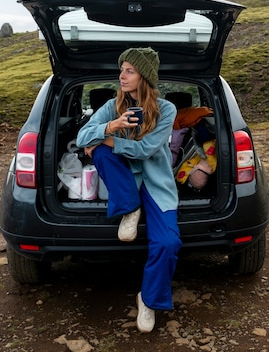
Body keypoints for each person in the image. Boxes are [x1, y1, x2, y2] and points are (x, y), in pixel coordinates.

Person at [76, 47, 181, 333]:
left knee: (168, 244)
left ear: (143, 76)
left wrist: (108, 139)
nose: (121, 76)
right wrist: (112, 125)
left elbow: (147, 149)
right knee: (97, 150)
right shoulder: (113, 105)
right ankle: (129, 208)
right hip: (126, 181)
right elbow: (81, 136)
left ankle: (148, 300)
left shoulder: (166, 109)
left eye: (129, 71)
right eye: (122, 69)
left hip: (156, 183)